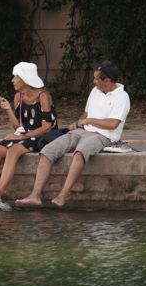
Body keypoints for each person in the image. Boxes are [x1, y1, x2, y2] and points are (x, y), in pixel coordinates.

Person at [16, 61, 130, 209]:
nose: (93, 81)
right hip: (82, 130)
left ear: (107, 81)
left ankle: (62, 196)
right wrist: (78, 123)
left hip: (103, 136)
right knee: (47, 151)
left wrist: (89, 121)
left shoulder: (122, 97)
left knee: (80, 152)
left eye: (96, 78)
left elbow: (113, 124)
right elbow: (87, 113)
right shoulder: (95, 91)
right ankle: (35, 196)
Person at [0, 62, 62, 209]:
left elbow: (47, 126)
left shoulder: (43, 96)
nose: (12, 80)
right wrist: (8, 110)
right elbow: (19, 127)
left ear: (25, 78)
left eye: (15, 77)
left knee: (13, 150)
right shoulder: (18, 96)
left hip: (44, 136)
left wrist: (23, 137)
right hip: (26, 135)